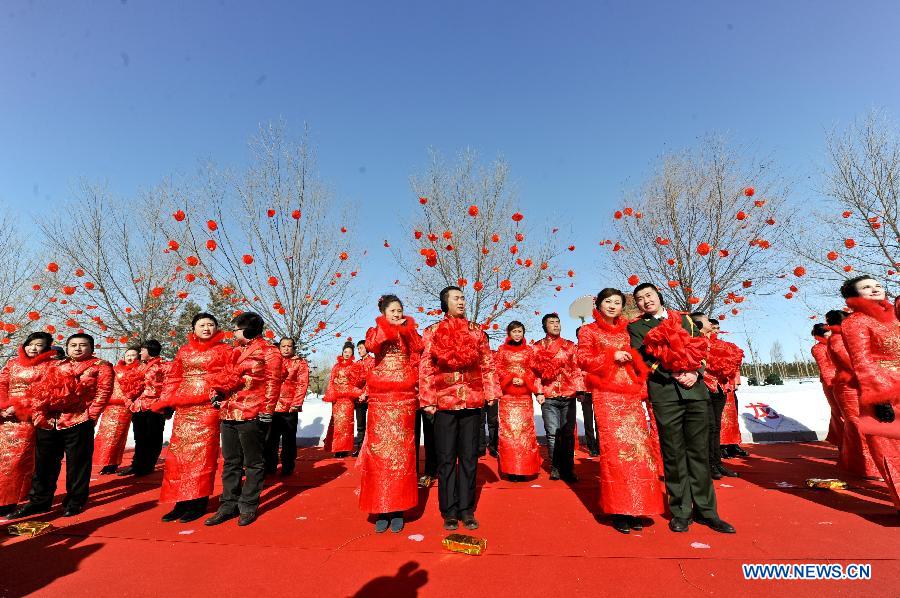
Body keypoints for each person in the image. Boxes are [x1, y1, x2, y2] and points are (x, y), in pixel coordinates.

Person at [627, 283, 735, 534]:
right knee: (674, 454)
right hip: (665, 393)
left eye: (649, 295)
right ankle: (681, 511)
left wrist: (695, 372)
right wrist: (675, 372)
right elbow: (642, 358)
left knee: (699, 452)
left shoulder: (684, 320)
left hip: (695, 392)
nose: (646, 301)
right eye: (640, 298)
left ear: (659, 297)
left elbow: (702, 348)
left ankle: (708, 511)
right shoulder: (636, 327)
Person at [578, 289, 665, 533]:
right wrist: (610, 355)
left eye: (618, 302)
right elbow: (582, 358)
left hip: (630, 394)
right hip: (606, 395)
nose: (613, 306)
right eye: (609, 302)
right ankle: (619, 509)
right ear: (599, 303)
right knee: (615, 452)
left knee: (638, 450)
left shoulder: (629, 329)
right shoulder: (589, 331)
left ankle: (638, 506)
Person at [11, 333, 113, 519]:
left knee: (77, 465)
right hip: (49, 421)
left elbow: (103, 392)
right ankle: (39, 502)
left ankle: (75, 502)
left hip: (79, 419)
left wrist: (91, 416)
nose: (78, 348)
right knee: (44, 464)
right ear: (67, 347)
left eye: (83, 345)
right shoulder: (55, 364)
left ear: (92, 348)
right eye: (73, 345)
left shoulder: (101, 366)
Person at [419, 286, 496, 531]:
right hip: (443, 403)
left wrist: (491, 391)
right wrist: (428, 399)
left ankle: (467, 509)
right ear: (445, 303)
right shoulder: (432, 332)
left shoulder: (476, 331)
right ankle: (449, 511)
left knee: (469, 458)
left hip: (472, 401)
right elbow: (425, 367)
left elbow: (487, 363)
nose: (461, 301)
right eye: (456, 298)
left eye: (463, 297)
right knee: (445, 459)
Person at [205, 312, 282, 527]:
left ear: (248, 329)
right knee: (231, 462)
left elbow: (273, 383)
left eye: (237, 329)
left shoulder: (269, 352)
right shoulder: (235, 351)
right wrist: (216, 394)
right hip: (229, 412)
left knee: (254, 462)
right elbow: (225, 377)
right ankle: (227, 505)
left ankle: (248, 505)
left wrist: (267, 409)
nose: (234, 333)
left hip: (252, 412)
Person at [154, 312, 233, 523]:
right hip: (184, 410)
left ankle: (198, 502)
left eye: (210, 324)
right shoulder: (184, 351)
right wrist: (165, 401)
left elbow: (231, 375)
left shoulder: (225, 350)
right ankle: (179, 502)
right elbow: (173, 378)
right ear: (194, 329)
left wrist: (219, 389)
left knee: (202, 458)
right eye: (202, 325)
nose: (206, 328)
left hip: (208, 408)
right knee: (178, 458)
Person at [358, 295, 423, 533]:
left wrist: (407, 330)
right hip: (381, 399)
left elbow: (419, 348)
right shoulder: (374, 330)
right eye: (393, 311)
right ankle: (381, 507)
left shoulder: (410, 330)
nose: (397, 314)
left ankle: (399, 508)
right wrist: (387, 328)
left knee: (402, 454)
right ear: (383, 313)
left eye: (400, 310)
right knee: (379, 453)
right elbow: (373, 346)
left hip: (404, 398)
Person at [839, 275, 900, 511]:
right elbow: (862, 362)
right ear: (854, 297)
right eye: (866, 287)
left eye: (878, 285)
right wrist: (879, 397)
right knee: (892, 452)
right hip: (883, 392)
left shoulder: (894, 318)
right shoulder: (855, 322)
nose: (874, 289)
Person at [0, 332, 55, 517]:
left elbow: (45, 393)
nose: (33, 348)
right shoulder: (12, 364)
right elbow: (2, 385)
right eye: (30, 344)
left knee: (18, 461)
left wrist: (18, 407)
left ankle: (9, 500)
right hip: (6, 418)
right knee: (3, 460)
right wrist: (3, 407)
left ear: (46, 348)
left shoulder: (50, 367)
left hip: (28, 419)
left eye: (38, 345)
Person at [825, 309, 880, 478]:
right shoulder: (836, 339)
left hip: (860, 384)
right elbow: (851, 363)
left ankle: (858, 463)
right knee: (856, 424)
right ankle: (862, 466)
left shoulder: (848, 338)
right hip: (848, 386)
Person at [533, 313, 584, 481]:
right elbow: (534, 372)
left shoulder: (569, 346)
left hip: (568, 395)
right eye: (551, 323)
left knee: (568, 433)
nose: (555, 325)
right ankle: (555, 467)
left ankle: (568, 469)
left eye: (557, 322)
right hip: (549, 396)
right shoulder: (538, 347)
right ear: (544, 326)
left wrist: (580, 390)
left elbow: (576, 370)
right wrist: (539, 391)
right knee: (553, 433)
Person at [691, 313, 739, 480]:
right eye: (706, 321)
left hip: (719, 385)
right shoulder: (694, 339)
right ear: (698, 323)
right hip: (705, 386)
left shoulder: (717, 342)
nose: (710, 324)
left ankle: (717, 463)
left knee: (716, 427)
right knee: (709, 427)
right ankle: (709, 464)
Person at [494, 321, 542, 481]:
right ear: (509, 333)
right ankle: (511, 469)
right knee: (509, 433)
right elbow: (497, 368)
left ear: (523, 333)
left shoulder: (530, 350)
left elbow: (534, 369)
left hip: (524, 397)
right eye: (514, 331)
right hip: (508, 397)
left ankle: (526, 469)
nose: (517, 334)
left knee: (525, 433)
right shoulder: (501, 350)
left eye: (519, 331)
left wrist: (524, 379)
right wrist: (509, 378)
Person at [119, 339, 168, 477]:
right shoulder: (139, 366)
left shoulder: (164, 366)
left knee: (153, 437)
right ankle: (137, 464)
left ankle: (148, 465)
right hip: (138, 407)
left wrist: (167, 405)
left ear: (150, 350)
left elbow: (169, 387)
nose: (140, 353)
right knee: (139, 438)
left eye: (142, 350)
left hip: (155, 407)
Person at [94, 346, 142, 475]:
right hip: (109, 408)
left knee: (117, 437)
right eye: (128, 355)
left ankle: (113, 463)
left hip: (124, 408)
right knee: (104, 436)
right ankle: (106, 462)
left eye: (133, 355)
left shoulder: (139, 371)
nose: (130, 357)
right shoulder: (115, 369)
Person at [265, 337, 309, 476]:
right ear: (279, 347)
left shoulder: (300, 363)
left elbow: (302, 384)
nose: (286, 348)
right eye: (283, 346)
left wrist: (296, 403)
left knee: (289, 439)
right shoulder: (272, 361)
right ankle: (270, 466)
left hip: (290, 407)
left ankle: (287, 466)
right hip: (271, 406)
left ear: (293, 348)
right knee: (270, 439)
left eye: (289, 346)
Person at [709, 319, 747, 459]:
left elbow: (735, 364)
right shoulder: (704, 344)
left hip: (729, 386)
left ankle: (733, 443)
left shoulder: (726, 345)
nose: (716, 330)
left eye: (718, 327)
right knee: (720, 419)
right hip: (715, 385)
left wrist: (736, 381)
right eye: (713, 327)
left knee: (732, 417)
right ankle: (721, 445)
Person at [323, 341, 364, 457]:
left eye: (349, 352)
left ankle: (344, 449)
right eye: (345, 351)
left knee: (346, 425)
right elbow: (331, 381)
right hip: (337, 399)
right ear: (342, 352)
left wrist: (358, 392)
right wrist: (331, 394)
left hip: (347, 399)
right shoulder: (336, 366)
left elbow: (355, 383)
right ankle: (336, 448)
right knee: (336, 424)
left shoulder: (354, 366)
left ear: (352, 354)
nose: (347, 354)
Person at [810, 323, 843, 448]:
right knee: (839, 412)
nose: (830, 335)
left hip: (845, 381)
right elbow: (825, 368)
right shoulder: (818, 349)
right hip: (831, 383)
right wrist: (832, 385)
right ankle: (842, 442)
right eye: (827, 334)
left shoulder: (839, 342)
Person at [353, 340, 374, 457]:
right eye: (358, 348)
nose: (359, 350)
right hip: (359, 399)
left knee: (371, 424)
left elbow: (372, 380)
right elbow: (353, 382)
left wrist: (365, 393)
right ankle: (360, 447)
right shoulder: (357, 363)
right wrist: (358, 394)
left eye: (361, 348)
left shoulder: (373, 362)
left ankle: (371, 449)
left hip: (371, 398)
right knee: (360, 425)